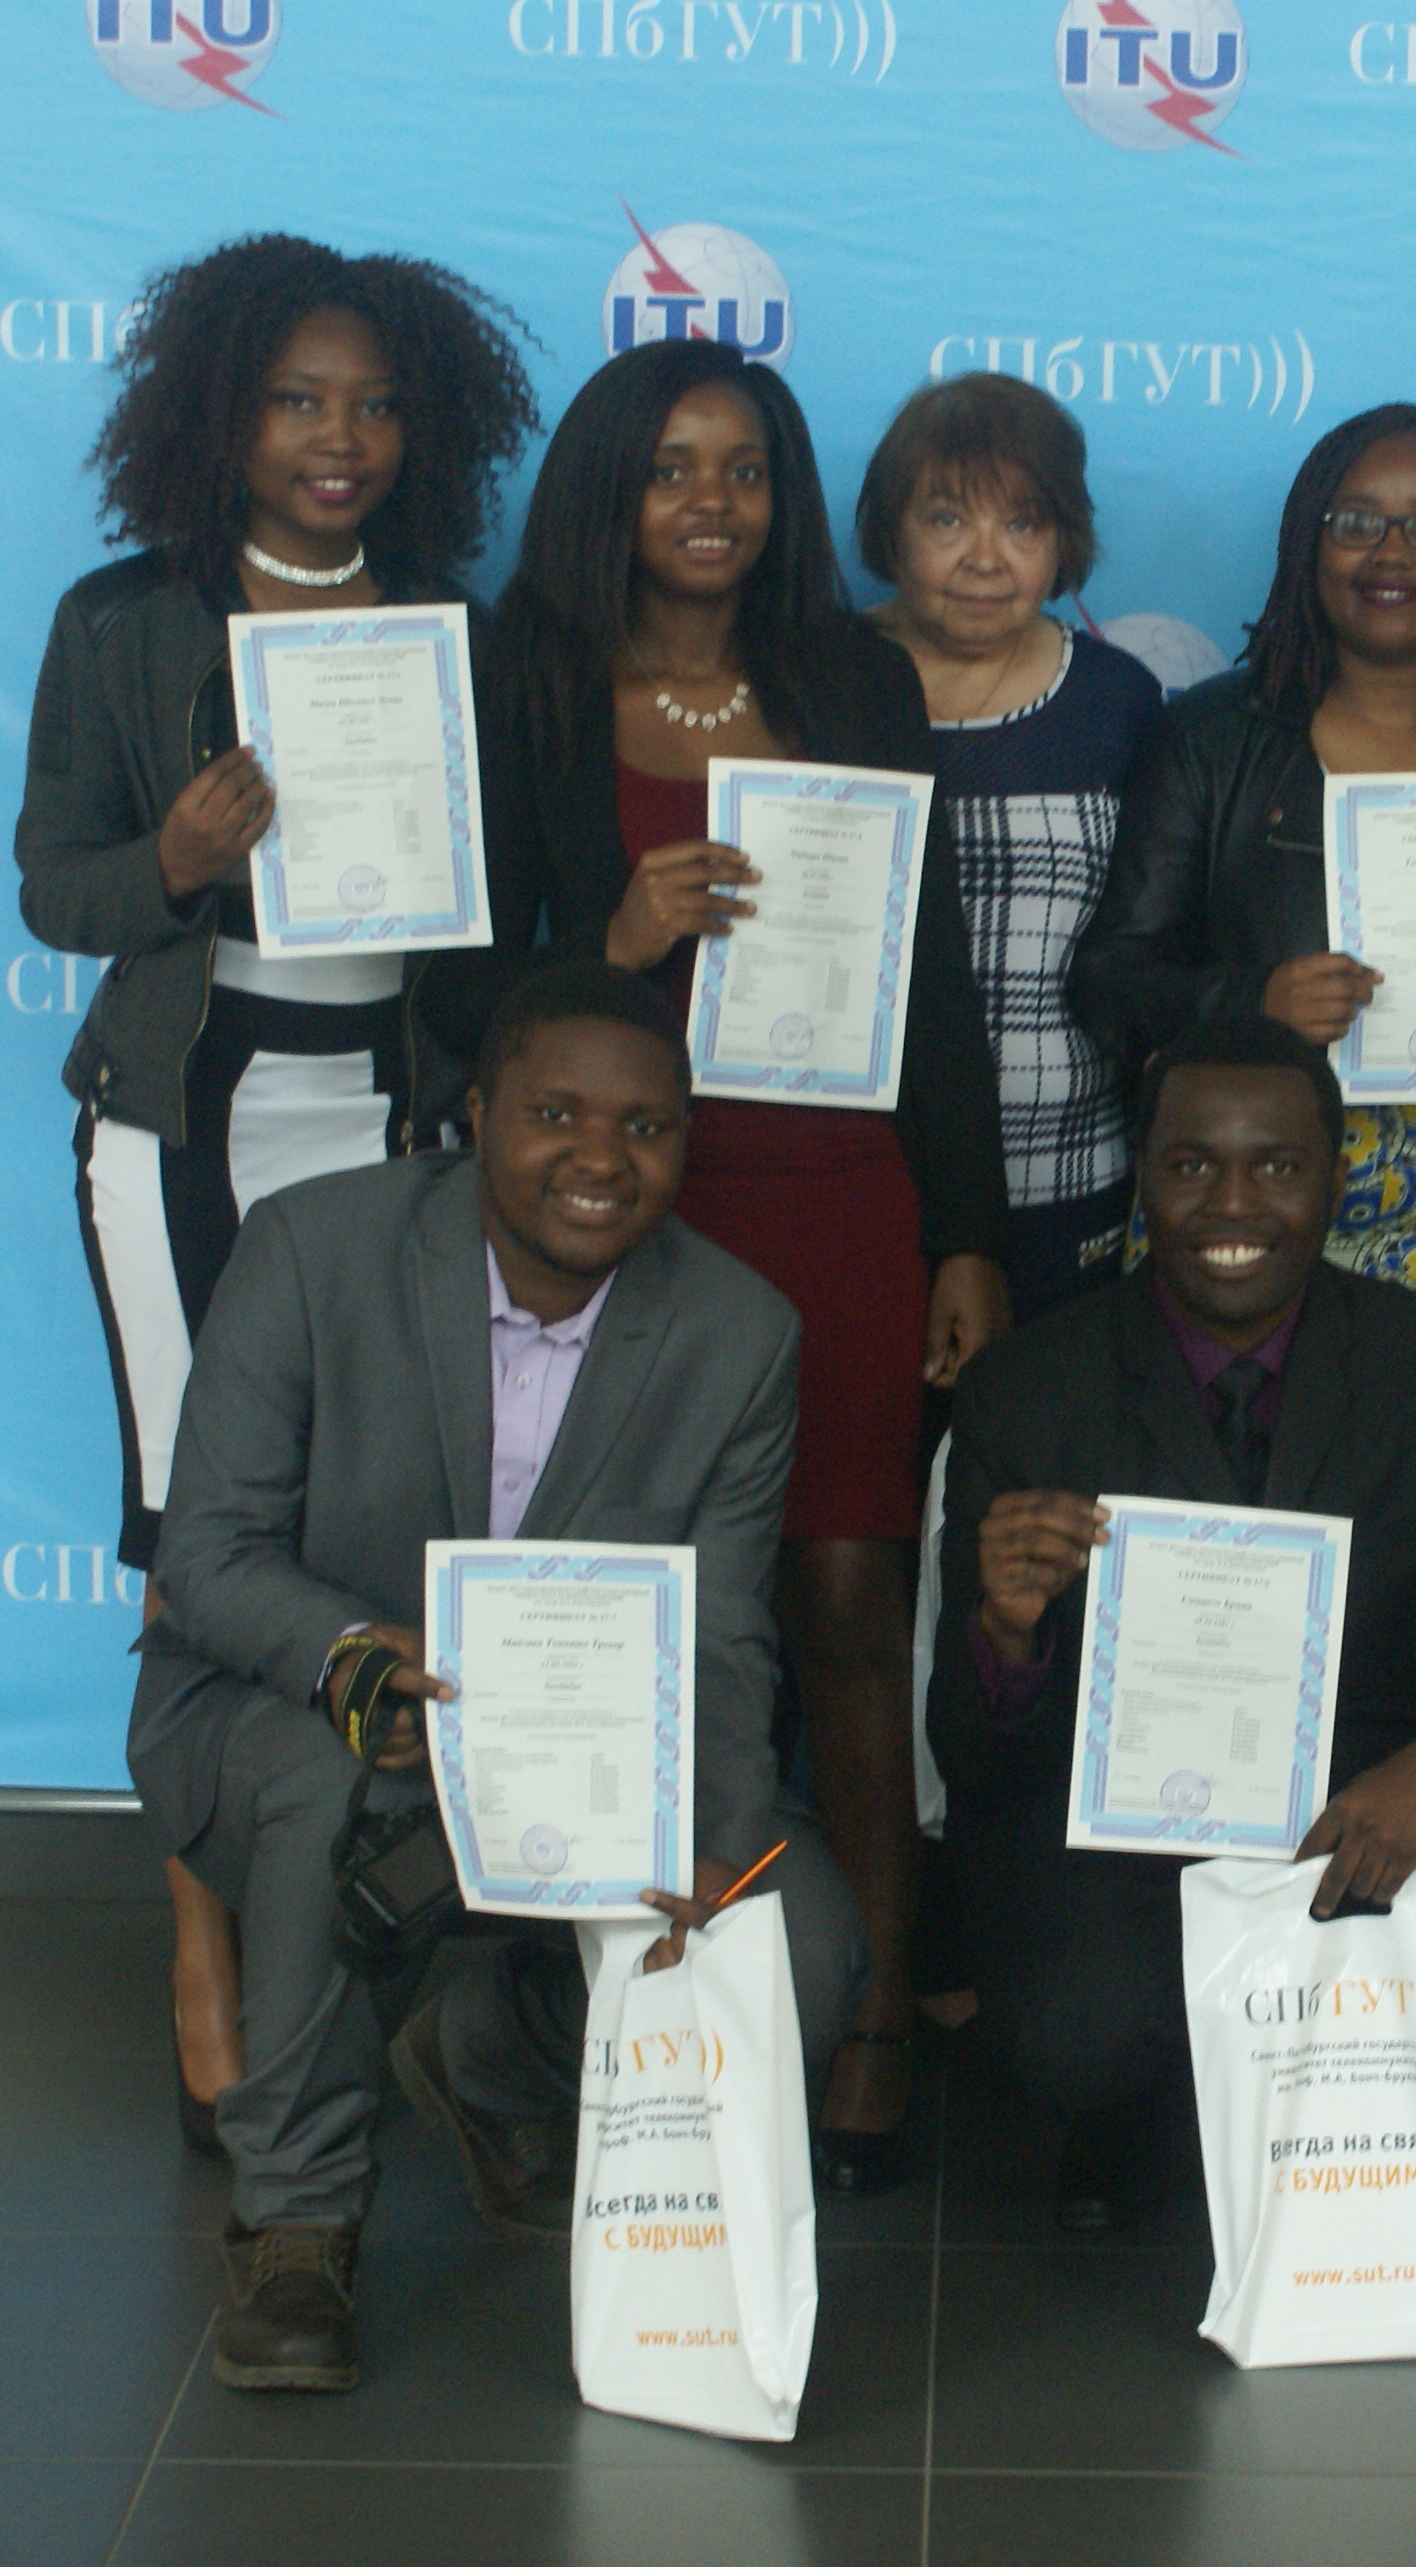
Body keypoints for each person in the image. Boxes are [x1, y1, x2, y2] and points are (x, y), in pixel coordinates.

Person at [443, 340, 1011, 2195]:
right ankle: (609, 2005)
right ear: (608, 487)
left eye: (746, 469)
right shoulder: (522, 679)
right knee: (637, 1611)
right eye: (674, 466)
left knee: (848, 1598)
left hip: (839, 1187)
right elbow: (451, 992)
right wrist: (605, 944)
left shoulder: (848, 675)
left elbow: (931, 969)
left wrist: (968, 1226)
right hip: (619, 1206)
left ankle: (872, 2013)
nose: (712, 503)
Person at [129, 962, 858, 2391]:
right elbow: (206, 1556)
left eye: (645, 1127)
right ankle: (295, 2223)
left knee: (804, 1947)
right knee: (335, 1784)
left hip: (587, 1755)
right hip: (299, 1712)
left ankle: (498, 2058)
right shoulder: (309, 1249)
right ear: (477, 1115)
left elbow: (721, 1634)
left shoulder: (739, 1333)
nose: (600, 1158)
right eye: (555, 1115)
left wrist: (716, 1846)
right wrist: (352, 1658)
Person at [11, 234, 538, 2163]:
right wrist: (169, 855)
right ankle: (204, 1945)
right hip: (184, 1119)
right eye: (300, 399)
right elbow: (51, 886)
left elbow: (500, 913)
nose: (341, 436)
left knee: (375, 1517)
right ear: (219, 415)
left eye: (377, 404)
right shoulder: (123, 620)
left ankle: (370, 1910)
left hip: (393, 1121)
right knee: (191, 1523)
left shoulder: (457, 629)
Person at [926, 1018, 1416, 2229]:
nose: (1231, 1203)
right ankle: (1147, 2112)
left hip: (1364, 1811)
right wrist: (1006, 1636)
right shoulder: (1028, 1388)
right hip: (1119, 1833)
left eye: (1276, 1165)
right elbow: (970, 1757)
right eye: (1191, 1164)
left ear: (1333, 1178)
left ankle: (1336, 2110)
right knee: (1074, 2027)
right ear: (1142, 1176)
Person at [1071, 403, 1416, 1370]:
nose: (1391, 553)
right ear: (1308, 544)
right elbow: (1109, 983)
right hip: (1237, 1221)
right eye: (1356, 521)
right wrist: (1253, 1001)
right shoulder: (1213, 740)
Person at [858, 374, 1167, 1320]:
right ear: (891, 531)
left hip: (1065, 1167)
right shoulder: (819, 678)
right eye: (948, 519)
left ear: (1065, 539)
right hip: (860, 1167)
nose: (986, 560)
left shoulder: (1117, 700)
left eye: (1024, 524)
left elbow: (1150, 950)